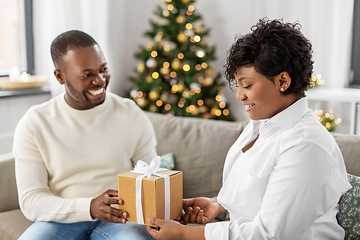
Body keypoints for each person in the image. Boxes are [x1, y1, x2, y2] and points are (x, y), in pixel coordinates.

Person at [146, 18, 351, 240]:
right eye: (238, 85)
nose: (239, 95)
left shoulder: (306, 145)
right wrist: (218, 203)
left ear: (283, 81)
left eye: (248, 85)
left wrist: (186, 235)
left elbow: (269, 234)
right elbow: (259, 193)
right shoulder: (261, 123)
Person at [13, 30, 157, 240]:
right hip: (58, 220)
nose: (100, 81)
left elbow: (152, 175)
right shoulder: (35, 122)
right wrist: (89, 207)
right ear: (60, 77)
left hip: (121, 218)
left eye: (103, 69)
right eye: (87, 75)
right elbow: (31, 200)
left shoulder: (130, 113)